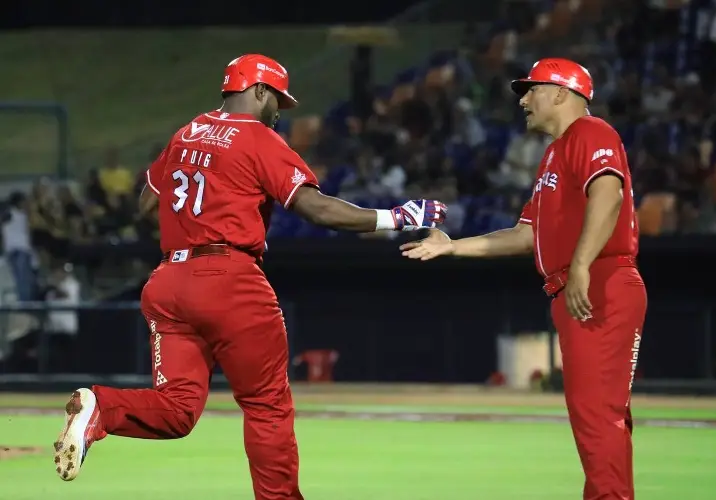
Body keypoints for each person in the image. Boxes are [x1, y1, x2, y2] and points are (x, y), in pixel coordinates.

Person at [53, 54, 447, 499]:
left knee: (177, 411)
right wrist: (395, 216)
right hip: (229, 277)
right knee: (267, 406)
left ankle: (101, 407)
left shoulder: (187, 132)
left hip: (169, 281)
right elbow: (315, 208)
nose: (278, 110)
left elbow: (147, 201)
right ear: (258, 90)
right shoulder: (258, 138)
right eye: (277, 99)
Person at [401, 58, 646, 500]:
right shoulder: (555, 152)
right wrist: (452, 245)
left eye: (532, 90)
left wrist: (581, 265)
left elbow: (608, 195)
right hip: (581, 282)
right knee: (597, 415)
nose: (524, 100)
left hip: (600, 282)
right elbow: (525, 235)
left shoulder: (592, 132)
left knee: (597, 415)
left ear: (561, 93)